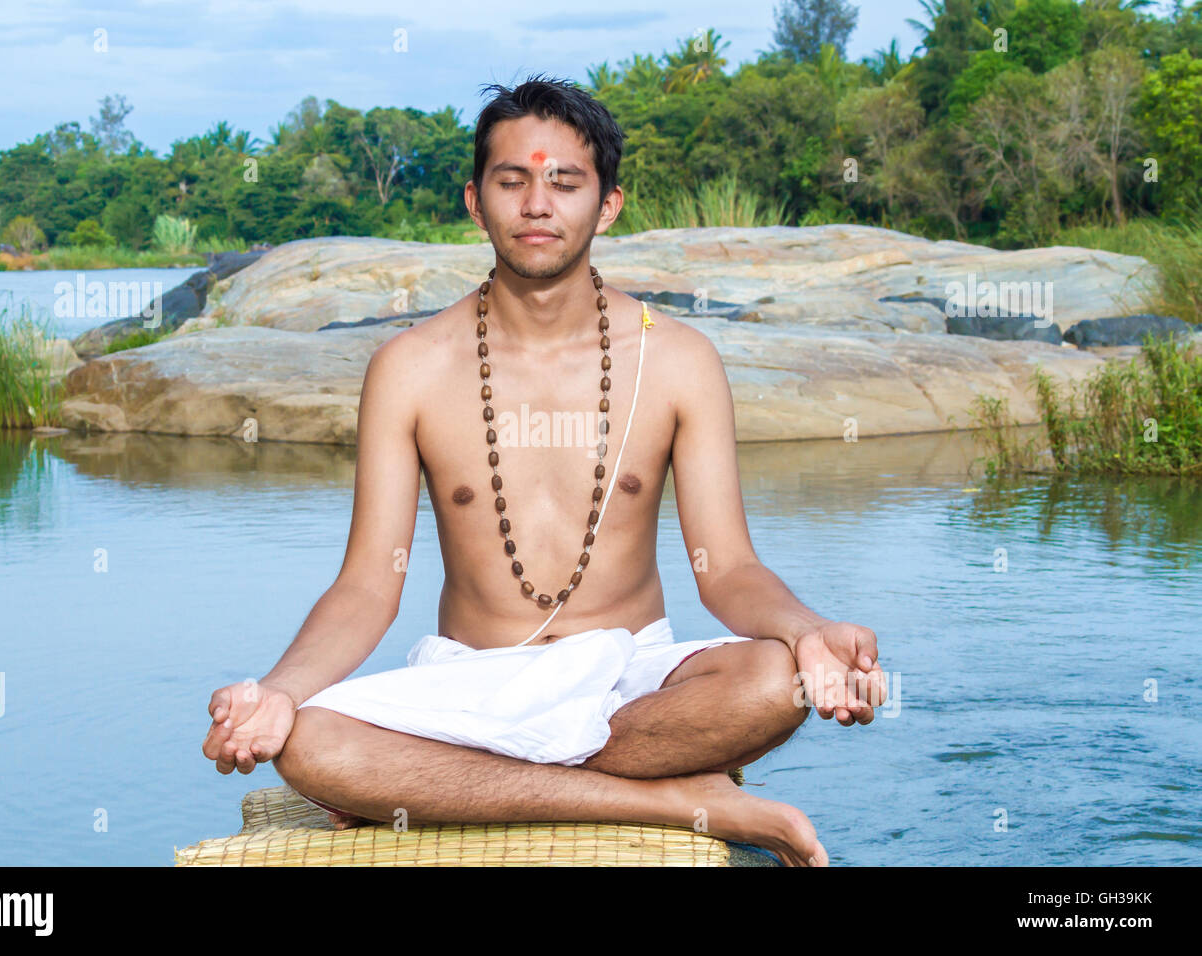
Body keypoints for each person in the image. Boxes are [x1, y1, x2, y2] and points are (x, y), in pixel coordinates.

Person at [202, 74, 887, 867]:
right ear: (474, 200)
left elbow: (727, 568)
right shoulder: (411, 367)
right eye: (513, 180)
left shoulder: (677, 360)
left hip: (631, 679)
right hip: (473, 683)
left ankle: (456, 789)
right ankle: (668, 798)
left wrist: (806, 635)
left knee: (774, 683)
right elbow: (367, 586)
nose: (537, 205)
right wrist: (279, 691)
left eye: (565, 182)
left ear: (607, 206)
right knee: (311, 742)